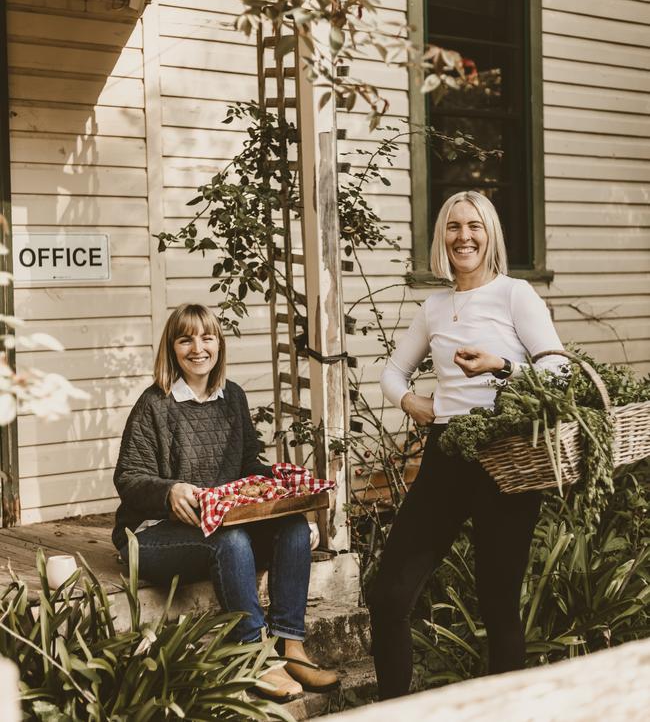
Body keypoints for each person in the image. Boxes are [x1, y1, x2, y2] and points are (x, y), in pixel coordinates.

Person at [369, 190, 564, 699]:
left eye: (474, 226)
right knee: (389, 594)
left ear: (490, 234)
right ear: (442, 238)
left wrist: (501, 366)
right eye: (454, 227)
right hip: (446, 455)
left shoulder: (516, 295)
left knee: (498, 601)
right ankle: (394, 709)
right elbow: (392, 372)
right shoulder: (435, 307)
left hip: (506, 456)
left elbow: (559, 371)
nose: (464, 237)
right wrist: (412, 403)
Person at [112, 302, 338, 700]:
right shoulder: (155, 404)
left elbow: (248, 463)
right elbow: (128, 478)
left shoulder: (232, 397)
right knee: (229, 542)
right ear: (172, 347)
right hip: (151, 537)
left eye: (207, 337)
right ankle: (252, 655)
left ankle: (292, 646)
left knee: (293, 527)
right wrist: (169, 491)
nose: (197, 348)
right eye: (185, 339)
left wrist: (286, 487)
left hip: (223, 521)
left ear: (219, 344)